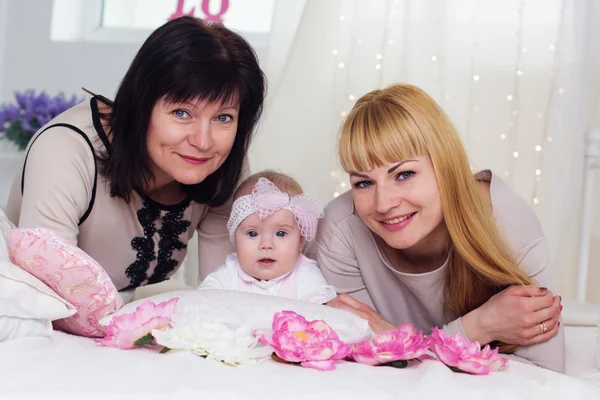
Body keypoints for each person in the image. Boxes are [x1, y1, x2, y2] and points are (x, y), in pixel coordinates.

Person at [309, 84, 565, 372]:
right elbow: (364, 367)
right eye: (363, 183)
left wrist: (398, 342)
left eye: (404, 174)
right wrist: (478, 326)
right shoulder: (340, 229)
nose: (383, 204)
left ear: (446, 165)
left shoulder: (506, 222)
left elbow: (544, 373)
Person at [6, 17, 266, 294]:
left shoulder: (219, 161)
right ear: (141, 104)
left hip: (122, 324)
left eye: (224, 117)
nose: (203, 141)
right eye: (181, 113)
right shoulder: (64, 151)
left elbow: (224, 293)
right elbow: (49, 298)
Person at [199, 171, 336, 304]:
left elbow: (321, 309)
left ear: (300, 241)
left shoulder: (305, 275)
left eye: (280, 233)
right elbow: (203, 300)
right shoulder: (229, 273)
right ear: (236, 239)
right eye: (252, 234)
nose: (266, 244)